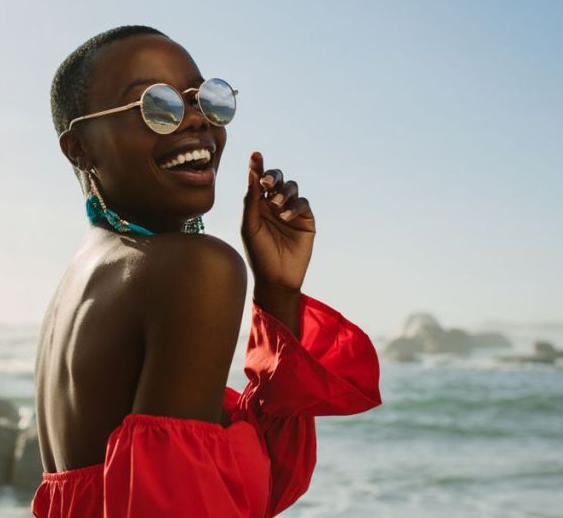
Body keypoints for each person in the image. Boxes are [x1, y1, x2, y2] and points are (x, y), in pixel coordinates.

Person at [31, 25, 382, 518]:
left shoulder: (82, 280)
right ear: (81, 149)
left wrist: (278, 293)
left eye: (206, 99)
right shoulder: (193, 268)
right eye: (157, 107)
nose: (196, 120)